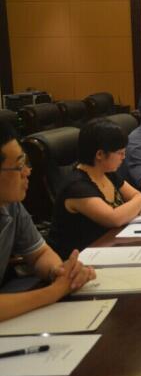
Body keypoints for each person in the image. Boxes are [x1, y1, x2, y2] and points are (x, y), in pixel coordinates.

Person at [0, 123, 95, 322]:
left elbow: (39, 254)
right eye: (19, 166)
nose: (27, 171)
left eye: (26, 162)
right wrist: (53, 292)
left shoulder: (11, 205)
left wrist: (60, 272)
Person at [48, 119, 141, 258]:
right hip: (79, 259)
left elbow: (135, 195)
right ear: (100, 155)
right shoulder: (76, 187)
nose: (124, 157)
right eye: (120, 153)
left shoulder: (107, 173)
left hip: (109, 246)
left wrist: (139, 200)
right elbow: (113, 218)